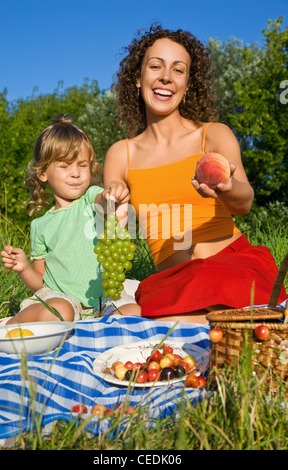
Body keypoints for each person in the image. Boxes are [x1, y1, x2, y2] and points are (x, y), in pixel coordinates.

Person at [104, 24, 287, 324]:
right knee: (129, 314)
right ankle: (234, 322)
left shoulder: (213, 135)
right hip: (176, 282)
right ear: (138, 79)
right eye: (155, 66)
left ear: (188, 85)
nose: (166, 76)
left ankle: (216, 320)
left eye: (178, 70)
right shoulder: (120, 154)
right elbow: (113, 230)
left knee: (148, 319)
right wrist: (111, 205)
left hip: (231, 265)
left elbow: (245, 203)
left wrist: (227, 189)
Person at [1, 114, 131, 325]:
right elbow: (41, 283)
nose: (76, 174)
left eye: (82, 165)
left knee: (132, 310)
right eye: (64, 166)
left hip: (102, 301)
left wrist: (113, 193)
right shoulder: (40, 225)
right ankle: (10, 325)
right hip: (63, 300)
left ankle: (93, 330)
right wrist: (24, 268)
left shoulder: (91, 198)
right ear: (43, 173)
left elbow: (103, 199)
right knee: (60, 311)